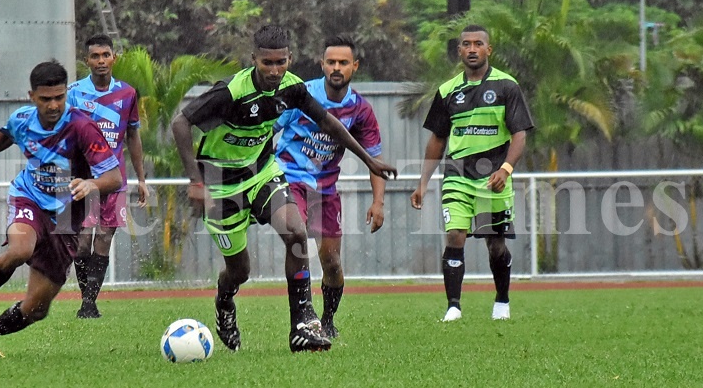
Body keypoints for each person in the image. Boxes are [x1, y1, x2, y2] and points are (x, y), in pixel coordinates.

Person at [170, 24, 397, 353]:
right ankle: (224, 303)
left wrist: (368, 160)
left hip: (262, 173)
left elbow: (327, 121)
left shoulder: (292, 88)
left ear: (290, 59)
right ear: (254, 60)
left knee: (295, 231)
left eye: (281, 62)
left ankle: (302, 324)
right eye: (267, 63)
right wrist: (195, 181)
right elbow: (180, 122)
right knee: (239, 270)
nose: (275, 70)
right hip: (221, 186)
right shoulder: (231, 93)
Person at [0, 60, 122, 357]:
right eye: (46, 98)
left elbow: (114, 177)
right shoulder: (22, 119)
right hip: (29, 197)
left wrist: (91, 185)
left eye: (59, 97)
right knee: (21, 249)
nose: (53, 105)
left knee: (36, 309)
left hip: (65, 217)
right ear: (31, 95)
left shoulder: (82, 127)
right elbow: (6, 134)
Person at [409, 24, 534, 322]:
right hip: (457, 174)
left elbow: (520, 135)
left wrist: (506, 168)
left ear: (489, 49)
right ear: (460, 50)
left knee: (496, 244)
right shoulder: (447, 91)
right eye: (467, 44)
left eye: (479, 43)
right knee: (455, 235)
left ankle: (502, 299)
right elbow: (438, 139)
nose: (473, 49)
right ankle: (453, 306)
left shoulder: (507, 86)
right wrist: (423, 182)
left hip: (494, 176)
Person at [272, 35, 386, 339]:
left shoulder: (360, 111)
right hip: (289, 179)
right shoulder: (300, 95)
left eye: (343, 63)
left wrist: (378, 202)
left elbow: (374, 158)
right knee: (298, 241)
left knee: (332, 263)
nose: (336, 68)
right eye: (331, 62)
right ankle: (303, 317)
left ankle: (328, 320)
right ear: (322, 64)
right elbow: (268, 126)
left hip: (325, 191)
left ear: (354, 66)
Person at [67, 34, 149, 319]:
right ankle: (85, 299)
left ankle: (89, 304)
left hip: (114, 179)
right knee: (82, 239)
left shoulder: (127, 93)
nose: (100, 61)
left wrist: (141, 178)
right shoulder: (74, 92)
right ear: (86, 61)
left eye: (105, 55)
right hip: (82, 179)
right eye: (95, 56)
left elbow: (133, 135)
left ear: (114, 58)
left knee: (104, 238)